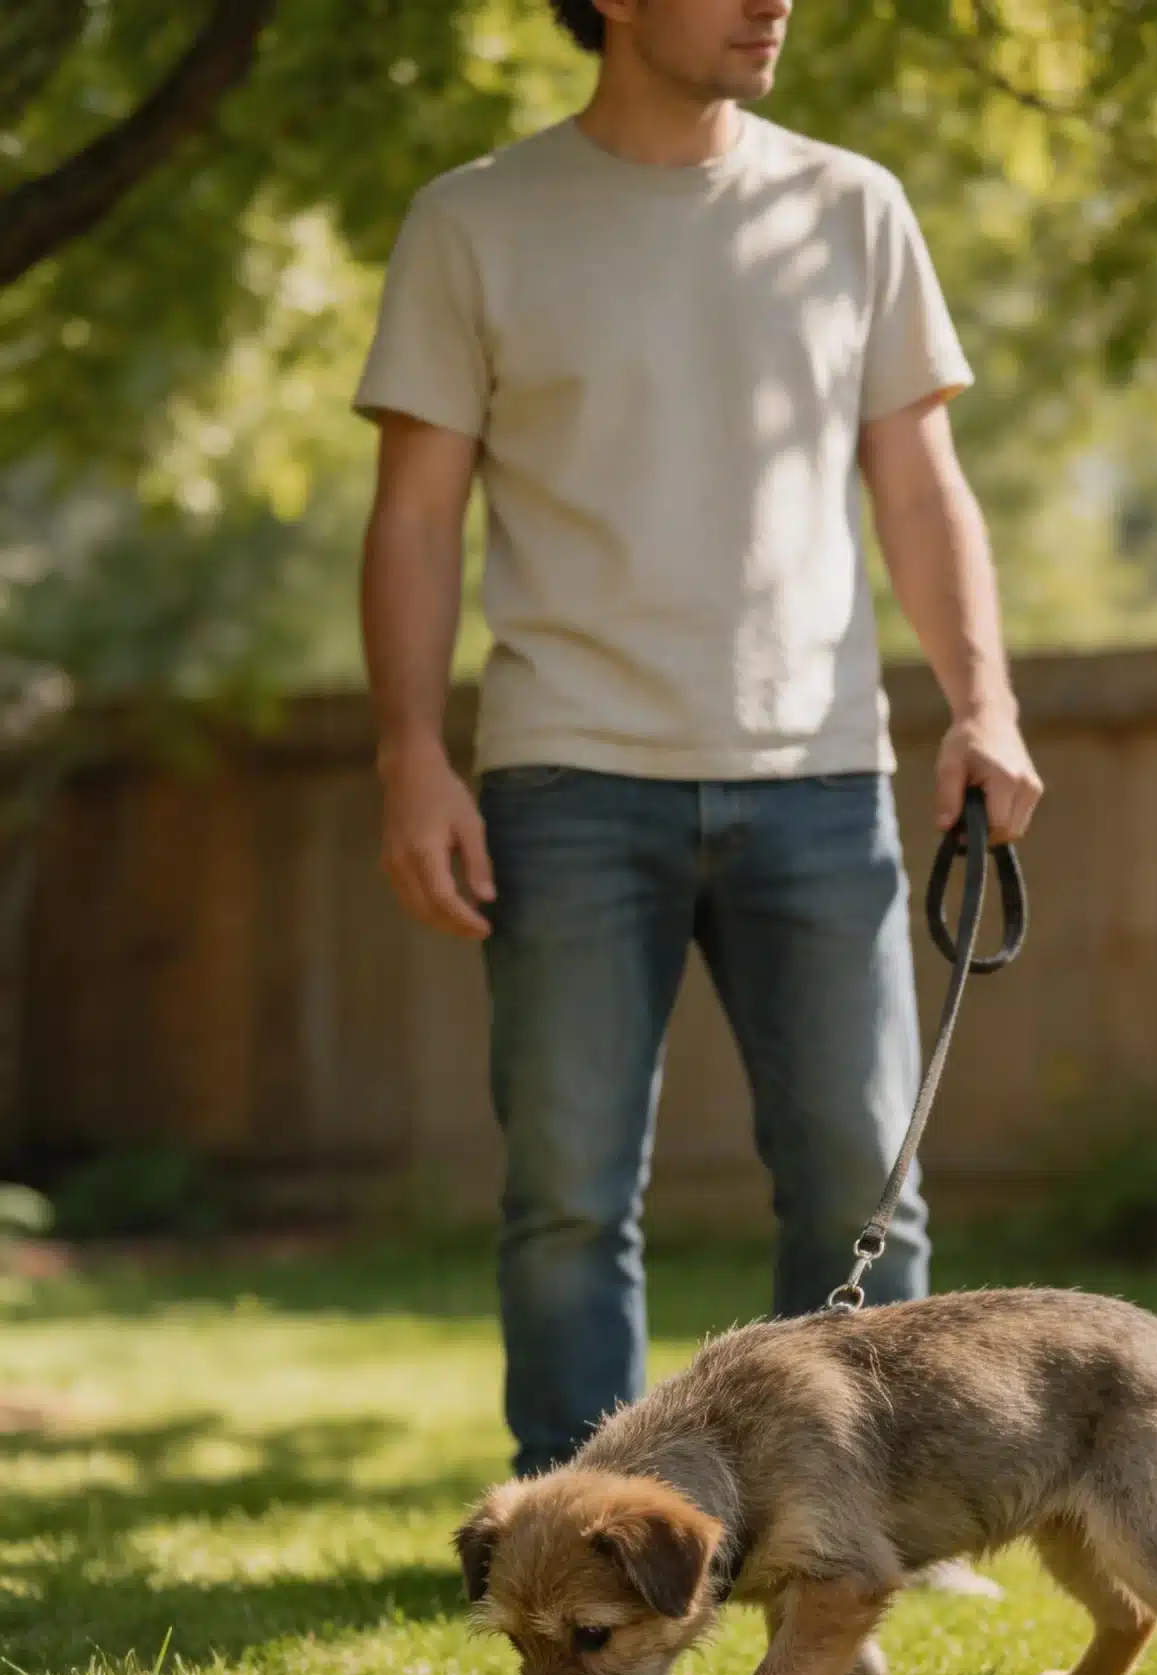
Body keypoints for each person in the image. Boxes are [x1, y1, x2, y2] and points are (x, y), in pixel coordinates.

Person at [355, 0, 1044, 1511]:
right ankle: (579, 1533)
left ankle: (850, 1540)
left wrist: (982, 702)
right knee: (566, 1203)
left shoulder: (851, 209)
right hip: (565, 776)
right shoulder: (475, 222)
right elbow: (413, 515)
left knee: (866, 1191)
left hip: (822, 777)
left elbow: (924, 488)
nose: (772, 0)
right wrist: (413, 752)